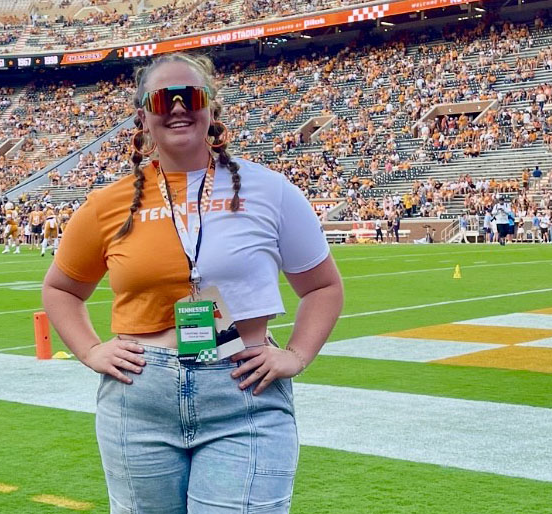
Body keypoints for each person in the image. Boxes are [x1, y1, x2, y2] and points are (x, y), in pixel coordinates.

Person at [42, 54, 343, 513]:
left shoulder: (270, 190)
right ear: (143, 115)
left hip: (242, 390)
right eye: (164, 97)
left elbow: (323, 286)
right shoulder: (107, 204)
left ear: (212, 108)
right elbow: (61, 289)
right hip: (141, 395)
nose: (178, 106)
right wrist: (90, 350)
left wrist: (297, 355)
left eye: (192, 95)